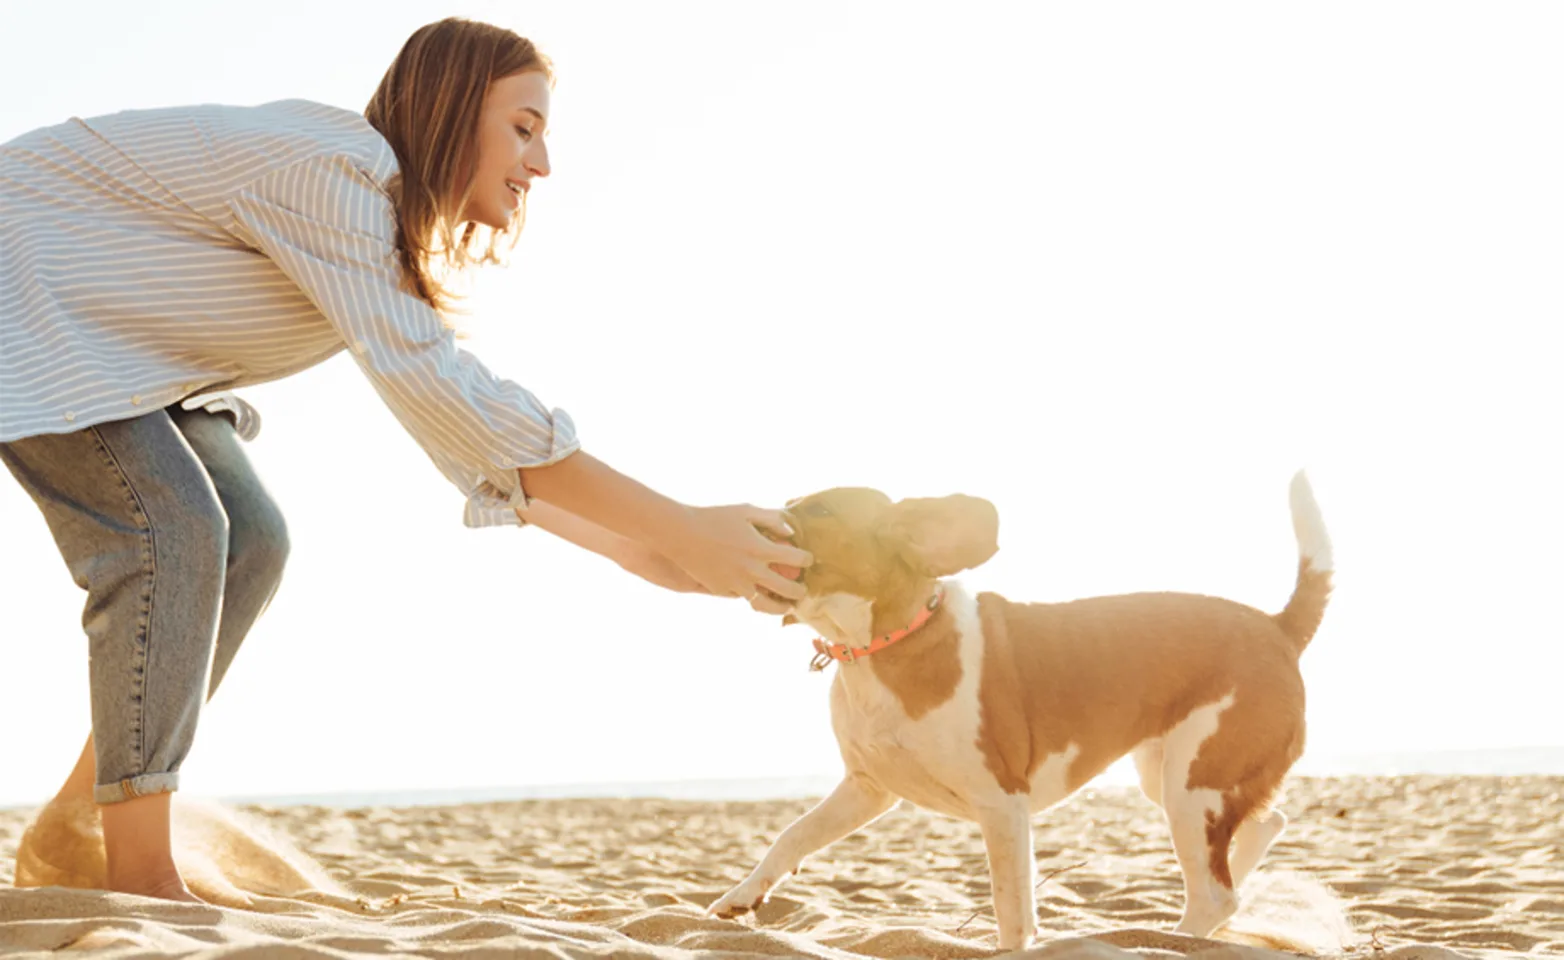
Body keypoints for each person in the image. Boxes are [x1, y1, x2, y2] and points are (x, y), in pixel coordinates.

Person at [0, 17, 811, 903]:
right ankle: (141, 872)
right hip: (28, 298)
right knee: (175, 530)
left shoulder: (365, 225)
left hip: (107, 345)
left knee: (252, 538)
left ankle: (74, 826)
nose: (542, 165)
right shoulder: (333, 174)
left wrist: (654, 551)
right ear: (455, 108)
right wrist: (677, 526)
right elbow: (447, 391)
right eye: (524, 127)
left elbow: (450, 425)